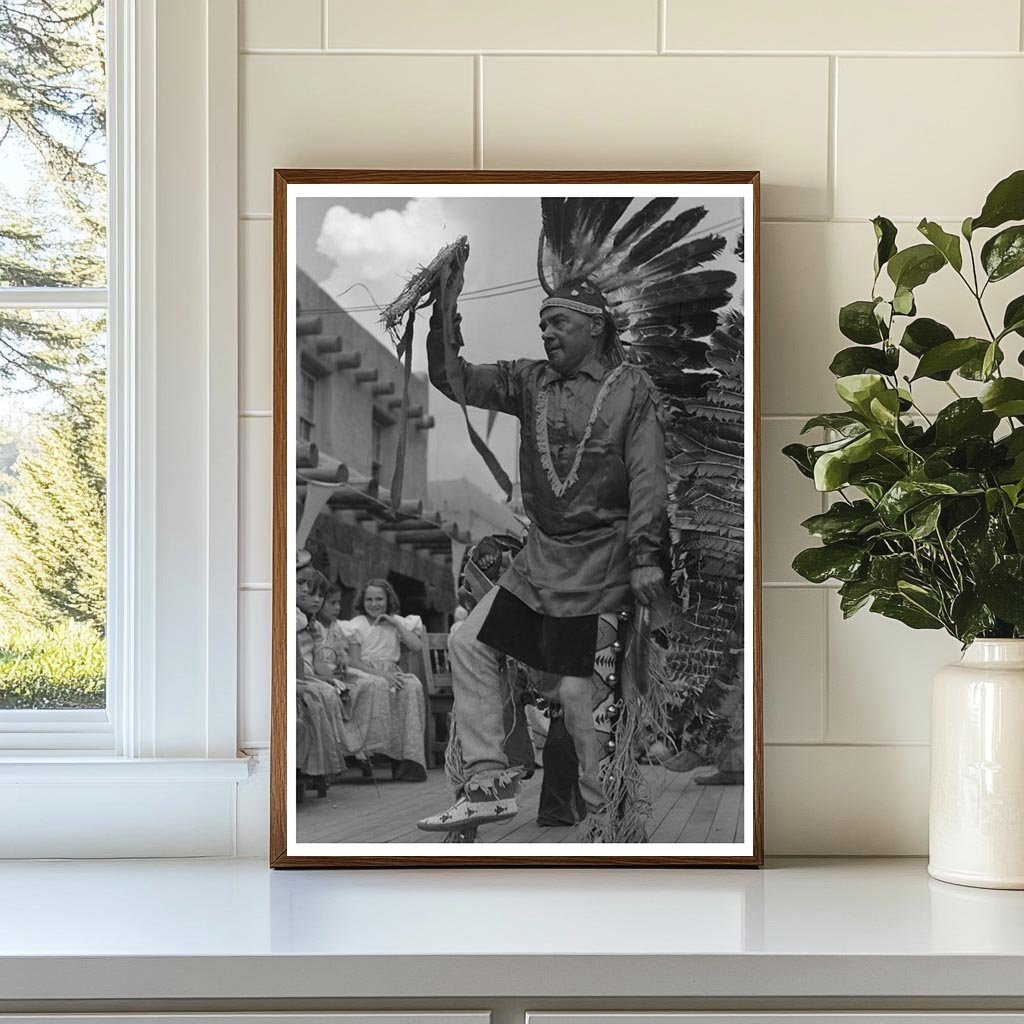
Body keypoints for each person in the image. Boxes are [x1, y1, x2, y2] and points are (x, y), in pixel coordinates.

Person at [417, 275, 667, 833]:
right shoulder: (526, 380)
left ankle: (612, 824)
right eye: (542, 324)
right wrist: (445, 311)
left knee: (581, 699)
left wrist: (647, 554)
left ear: (595, 326)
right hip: (539, 561)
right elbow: (452, 378)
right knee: (467, 641)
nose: (546, 333)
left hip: (603, 562)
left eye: (559, 323)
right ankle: (488, 781)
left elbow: (649, 477)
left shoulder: (631, 388)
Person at [336, 579, 429, 782]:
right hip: (366, 672)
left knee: (412, 687)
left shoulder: (395, 622)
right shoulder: (358, 625)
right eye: (369, 599)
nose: (374, 604)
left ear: (388, 600)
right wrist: (384, 676)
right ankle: (371, 752)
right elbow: (355, 661)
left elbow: (416, 646)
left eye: (379, 599)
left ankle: (406, 760)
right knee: (379, 687)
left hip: (393, 672)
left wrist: (396, 623)